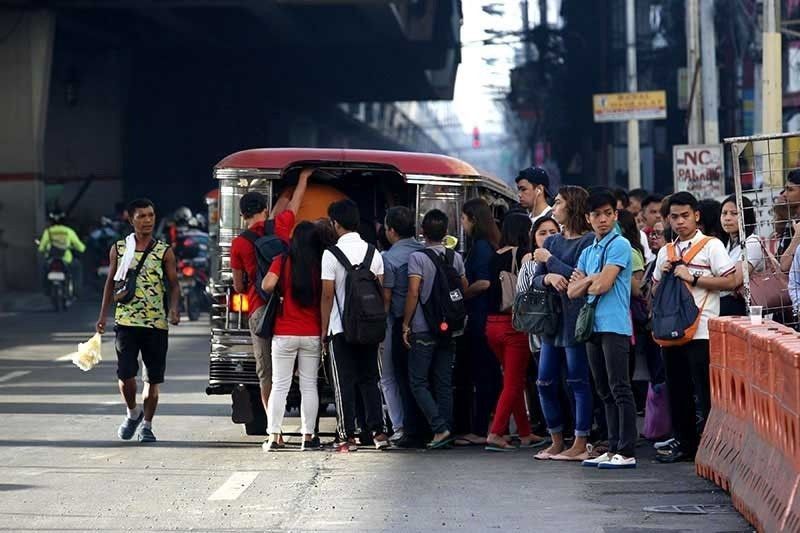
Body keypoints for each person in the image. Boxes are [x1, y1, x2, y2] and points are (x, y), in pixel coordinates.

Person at [652, 192, 738, 463]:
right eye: (674, 217)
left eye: (685, 216)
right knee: (677, 391)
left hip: (702, 331)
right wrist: (665, 274)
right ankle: (685, 443)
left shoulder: (712, 246)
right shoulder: (665, 251)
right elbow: (654, 291)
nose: (679, 222)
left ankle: (714, 445)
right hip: (671, 332)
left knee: (705, 391)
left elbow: (731, 281)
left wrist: (695, 277)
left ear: (697, 216)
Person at [230, 169, 310, 445]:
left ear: (243, 216)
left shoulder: (239, 243)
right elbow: (296, 201)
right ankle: (306, 426)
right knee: (300, 369)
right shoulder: (283, 225)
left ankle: (274, 432)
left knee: (267, 373)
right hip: (288, 308)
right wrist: (303, 179)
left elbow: (239, 286)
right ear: (266, 210)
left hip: (259, 309)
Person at [95, 198, 180, 443]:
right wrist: (103, 315)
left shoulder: (164, 251)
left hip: (156, 324)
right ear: (130, 219)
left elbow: (174, 285)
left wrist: (174, 309)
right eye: (141, 216)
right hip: (126, 322)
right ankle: (133, 412)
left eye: (151, 215)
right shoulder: (119, 249)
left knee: (152, 379)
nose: (147, 220)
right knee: (125, 375)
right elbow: (110, 283)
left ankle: (147, 425)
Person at [568, 189, 636, 469]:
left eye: (608, 214)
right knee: (603, 389)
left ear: (615, 215)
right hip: (593, 326)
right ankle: (611, 445)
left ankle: (626, 449)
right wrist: (591, 280)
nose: (603, 219)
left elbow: (603, 285)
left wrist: (590, 279)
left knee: (620, 387)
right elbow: (572, 291)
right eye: (596, 215)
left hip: (615, 325)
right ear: (588, 218)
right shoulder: (587, 251)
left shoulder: (619, 244)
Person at [528, 186, 595, 461]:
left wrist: (550, 262)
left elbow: (580, 279)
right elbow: (535, 279)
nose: (554, 208)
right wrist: (547, 277)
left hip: (576, 320)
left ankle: (580, 441)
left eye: (558, 203)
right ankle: (556, 439)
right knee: (544, 381)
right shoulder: (552, 241)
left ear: (573, 207)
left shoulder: (588, 241)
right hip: (552, 321)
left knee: (578, 381)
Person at [321, 199, 390, 452]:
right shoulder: (374, 252)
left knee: (344, 382)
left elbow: (327, 295)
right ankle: (378, 433)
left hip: (341, 329)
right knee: (371, 379)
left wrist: (323, 329)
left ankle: (346, 436)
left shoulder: (330, 254)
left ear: (335, 224)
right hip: (370, 327)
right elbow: (383, 292)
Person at [401, 209, 468, 449]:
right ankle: (447, 430)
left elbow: (413, 292)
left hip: (423, 326)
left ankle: (440, 427)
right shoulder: (456, 257)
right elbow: (463, 288)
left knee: (418, 381)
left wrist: (405, 324)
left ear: (422, 232)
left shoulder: (418, 258)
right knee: (443, 381)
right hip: (450, 327)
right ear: (446, 232)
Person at [484, 213, 546, 451]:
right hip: (514, 325)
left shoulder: (494, 256)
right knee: (513, 381)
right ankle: (497, 432)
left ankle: (524, 432)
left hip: (492, 325)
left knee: (514, 378)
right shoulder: (524, 255)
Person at [260, 221, 323, 451]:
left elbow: (267, 285)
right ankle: (308, 437)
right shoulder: (320, 264)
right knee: (309, 386)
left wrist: (280, 291)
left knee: (280, 386)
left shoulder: (282, 260)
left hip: (284, 332)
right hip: (312, 333)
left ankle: (274, 437)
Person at [460, 198, 503, 445]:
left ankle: (479, 429)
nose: (463, 224)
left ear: (473, 220)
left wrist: (463, 294)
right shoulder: (491, 243)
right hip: (489, 317)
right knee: (490, 375)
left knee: (482, 375)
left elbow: (484, 282)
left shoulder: (480, 248)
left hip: (480, 318)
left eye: (464, 219)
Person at [381, 206, 425, 448]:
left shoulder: (388, 259)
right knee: (420, 377)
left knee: (394, 376)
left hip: (399, 324)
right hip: (426, 324)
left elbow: (387, 299)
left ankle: (402, 427)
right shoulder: (426, 252)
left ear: (391, 230)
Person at [720, 195, 764, 316]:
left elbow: (734, 281)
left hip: (745, 309)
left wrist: (700, 281)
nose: (727, 218)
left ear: (746, 216)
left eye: (734, 213)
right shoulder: (727, 244)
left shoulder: (752, 242)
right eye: (724, 213)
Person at [38, 211, 87, 297]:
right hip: (66, 259)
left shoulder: (48, 231)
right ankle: (76, 291)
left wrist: (44, 249)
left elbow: (41, 248)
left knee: (44, 270)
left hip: (51, 259)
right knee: (78, 267)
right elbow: (80, 247)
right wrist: (81, 248)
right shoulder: (68, 231)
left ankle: (46, 290)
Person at [777, 170, 800, 258]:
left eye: (790, 190)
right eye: (785, 189)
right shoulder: (791, 224)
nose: (785, 194)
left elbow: (784, 266)